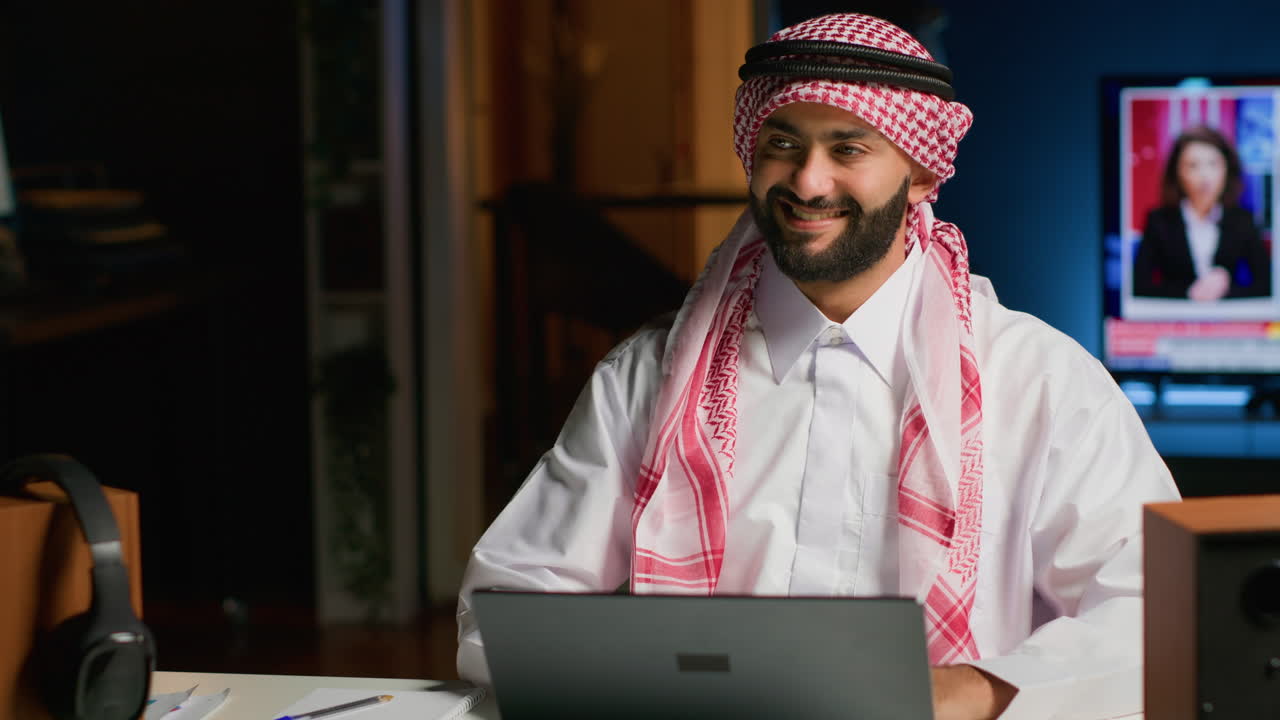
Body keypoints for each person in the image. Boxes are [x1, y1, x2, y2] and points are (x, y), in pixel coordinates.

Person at [457, 13, 1179, 720]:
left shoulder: (1042, 383)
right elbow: (507, 606)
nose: (808, 182)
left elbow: (1155, 611)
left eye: (848, 148)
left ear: (922, 171)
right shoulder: (647, 379)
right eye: (783, 143)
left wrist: (961, 694)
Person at [1133, 125, 1271, 300]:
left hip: (1228, 315)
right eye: (1193, 165)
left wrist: (1224, 290)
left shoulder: (1243, 221)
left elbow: (1266, 286)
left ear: (1226, 169)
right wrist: (1189, 292)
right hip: (1174, 315)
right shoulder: (1159, 221)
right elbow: (1140, 287)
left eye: (1213, 164)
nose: (1205, 176)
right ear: (1178, 172)